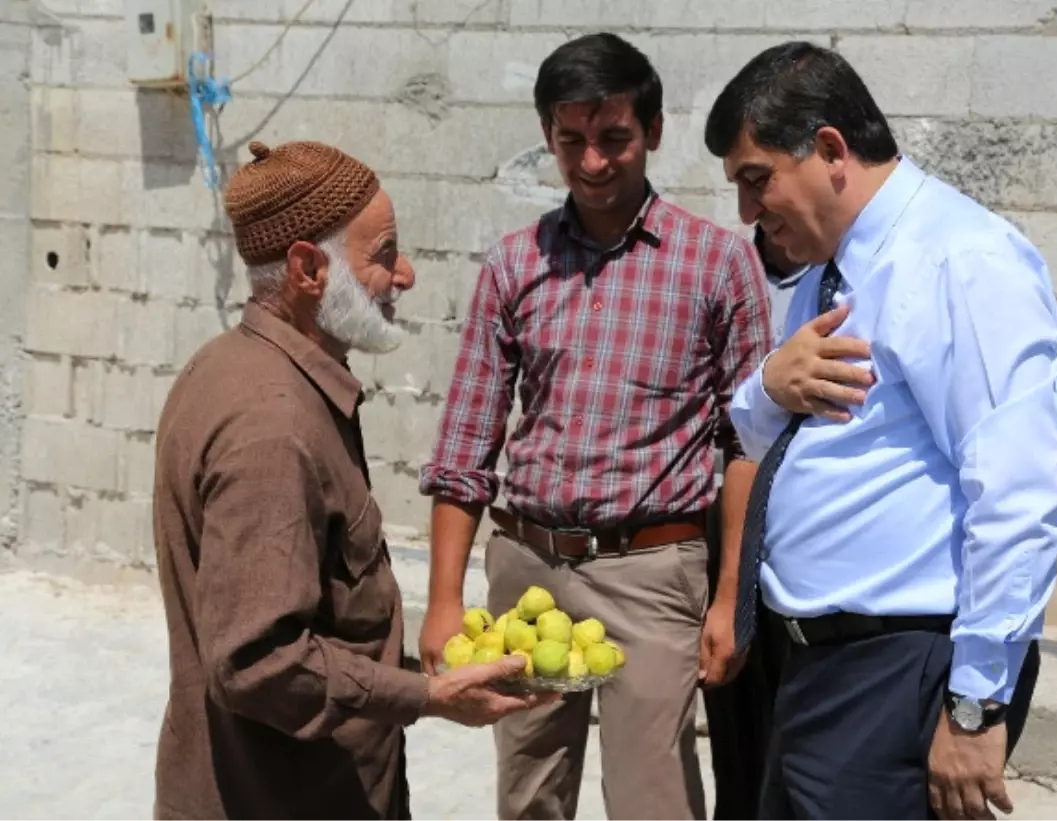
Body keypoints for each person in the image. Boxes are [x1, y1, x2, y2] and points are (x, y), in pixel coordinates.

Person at [704, 42, 1057, 821]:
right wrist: (769, 385)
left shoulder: (961, 259)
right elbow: (782, 441)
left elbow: (1017, 494)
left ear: (830, 150)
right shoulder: (833, 270)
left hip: (899, 668)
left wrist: (974, 706)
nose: (746, 212)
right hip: (818, 667)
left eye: (755, 179)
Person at [417, 33, 774, 821]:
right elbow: (465, 446)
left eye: (613, 138)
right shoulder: (515, 265)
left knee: (654, 800)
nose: (592, 161)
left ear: (652, 130)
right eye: (570, 140)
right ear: (548, 135)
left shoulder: (717, 265)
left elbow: (749, 444)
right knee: (529, 796)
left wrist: (728, 601)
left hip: (654, 572)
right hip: (527, 572)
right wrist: (444, 599)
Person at [150, 139, 552, 821]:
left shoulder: (232, 366)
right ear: (309, 267)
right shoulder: (273, 427)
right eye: (383, 253)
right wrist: (427, 696)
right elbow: (256, 662)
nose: (406, 274)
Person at [701, 223, 805, 821]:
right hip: (734, 521)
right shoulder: (728, 271)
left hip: (809, 535)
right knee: (739, 736)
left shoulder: (853, 279)